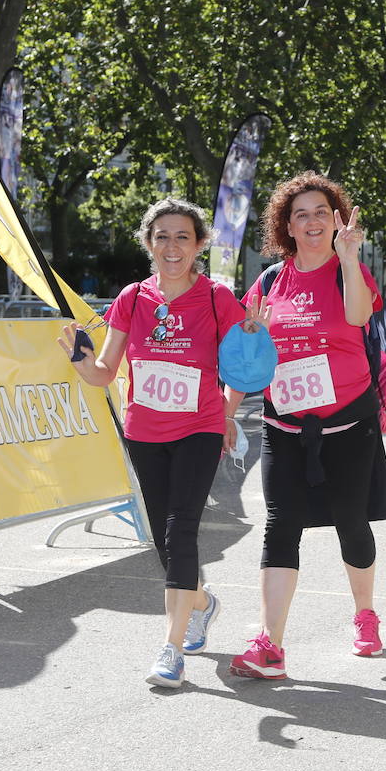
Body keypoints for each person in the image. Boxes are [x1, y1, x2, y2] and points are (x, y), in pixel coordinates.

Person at [58, 197, 267, 688]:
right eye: (162, 237)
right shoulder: (132, 298)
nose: (172, 247)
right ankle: (200, 601)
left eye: (182, 237)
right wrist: (79, 358)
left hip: (199, 428)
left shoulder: (217, 297)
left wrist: (230, 402)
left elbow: (244, 367)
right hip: (145, 432)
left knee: (181, 529)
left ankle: (171, 649)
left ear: (198, 245)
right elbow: (104, 373)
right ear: (148, 243)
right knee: (162, 537)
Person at [228, 172, 386, 680]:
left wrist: (349, 257)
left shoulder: (352, 272)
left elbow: (358, 314)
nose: (312, 220)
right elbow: (247, 354)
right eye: (301, 213)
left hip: (348, 424)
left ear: (337, 218)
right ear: (288, 225)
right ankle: (270, 644)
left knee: (350, 520)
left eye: (321, 210)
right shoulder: (269, 282)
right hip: (284, 425)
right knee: (281, 524)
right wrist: (228, 412)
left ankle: (365, 614)